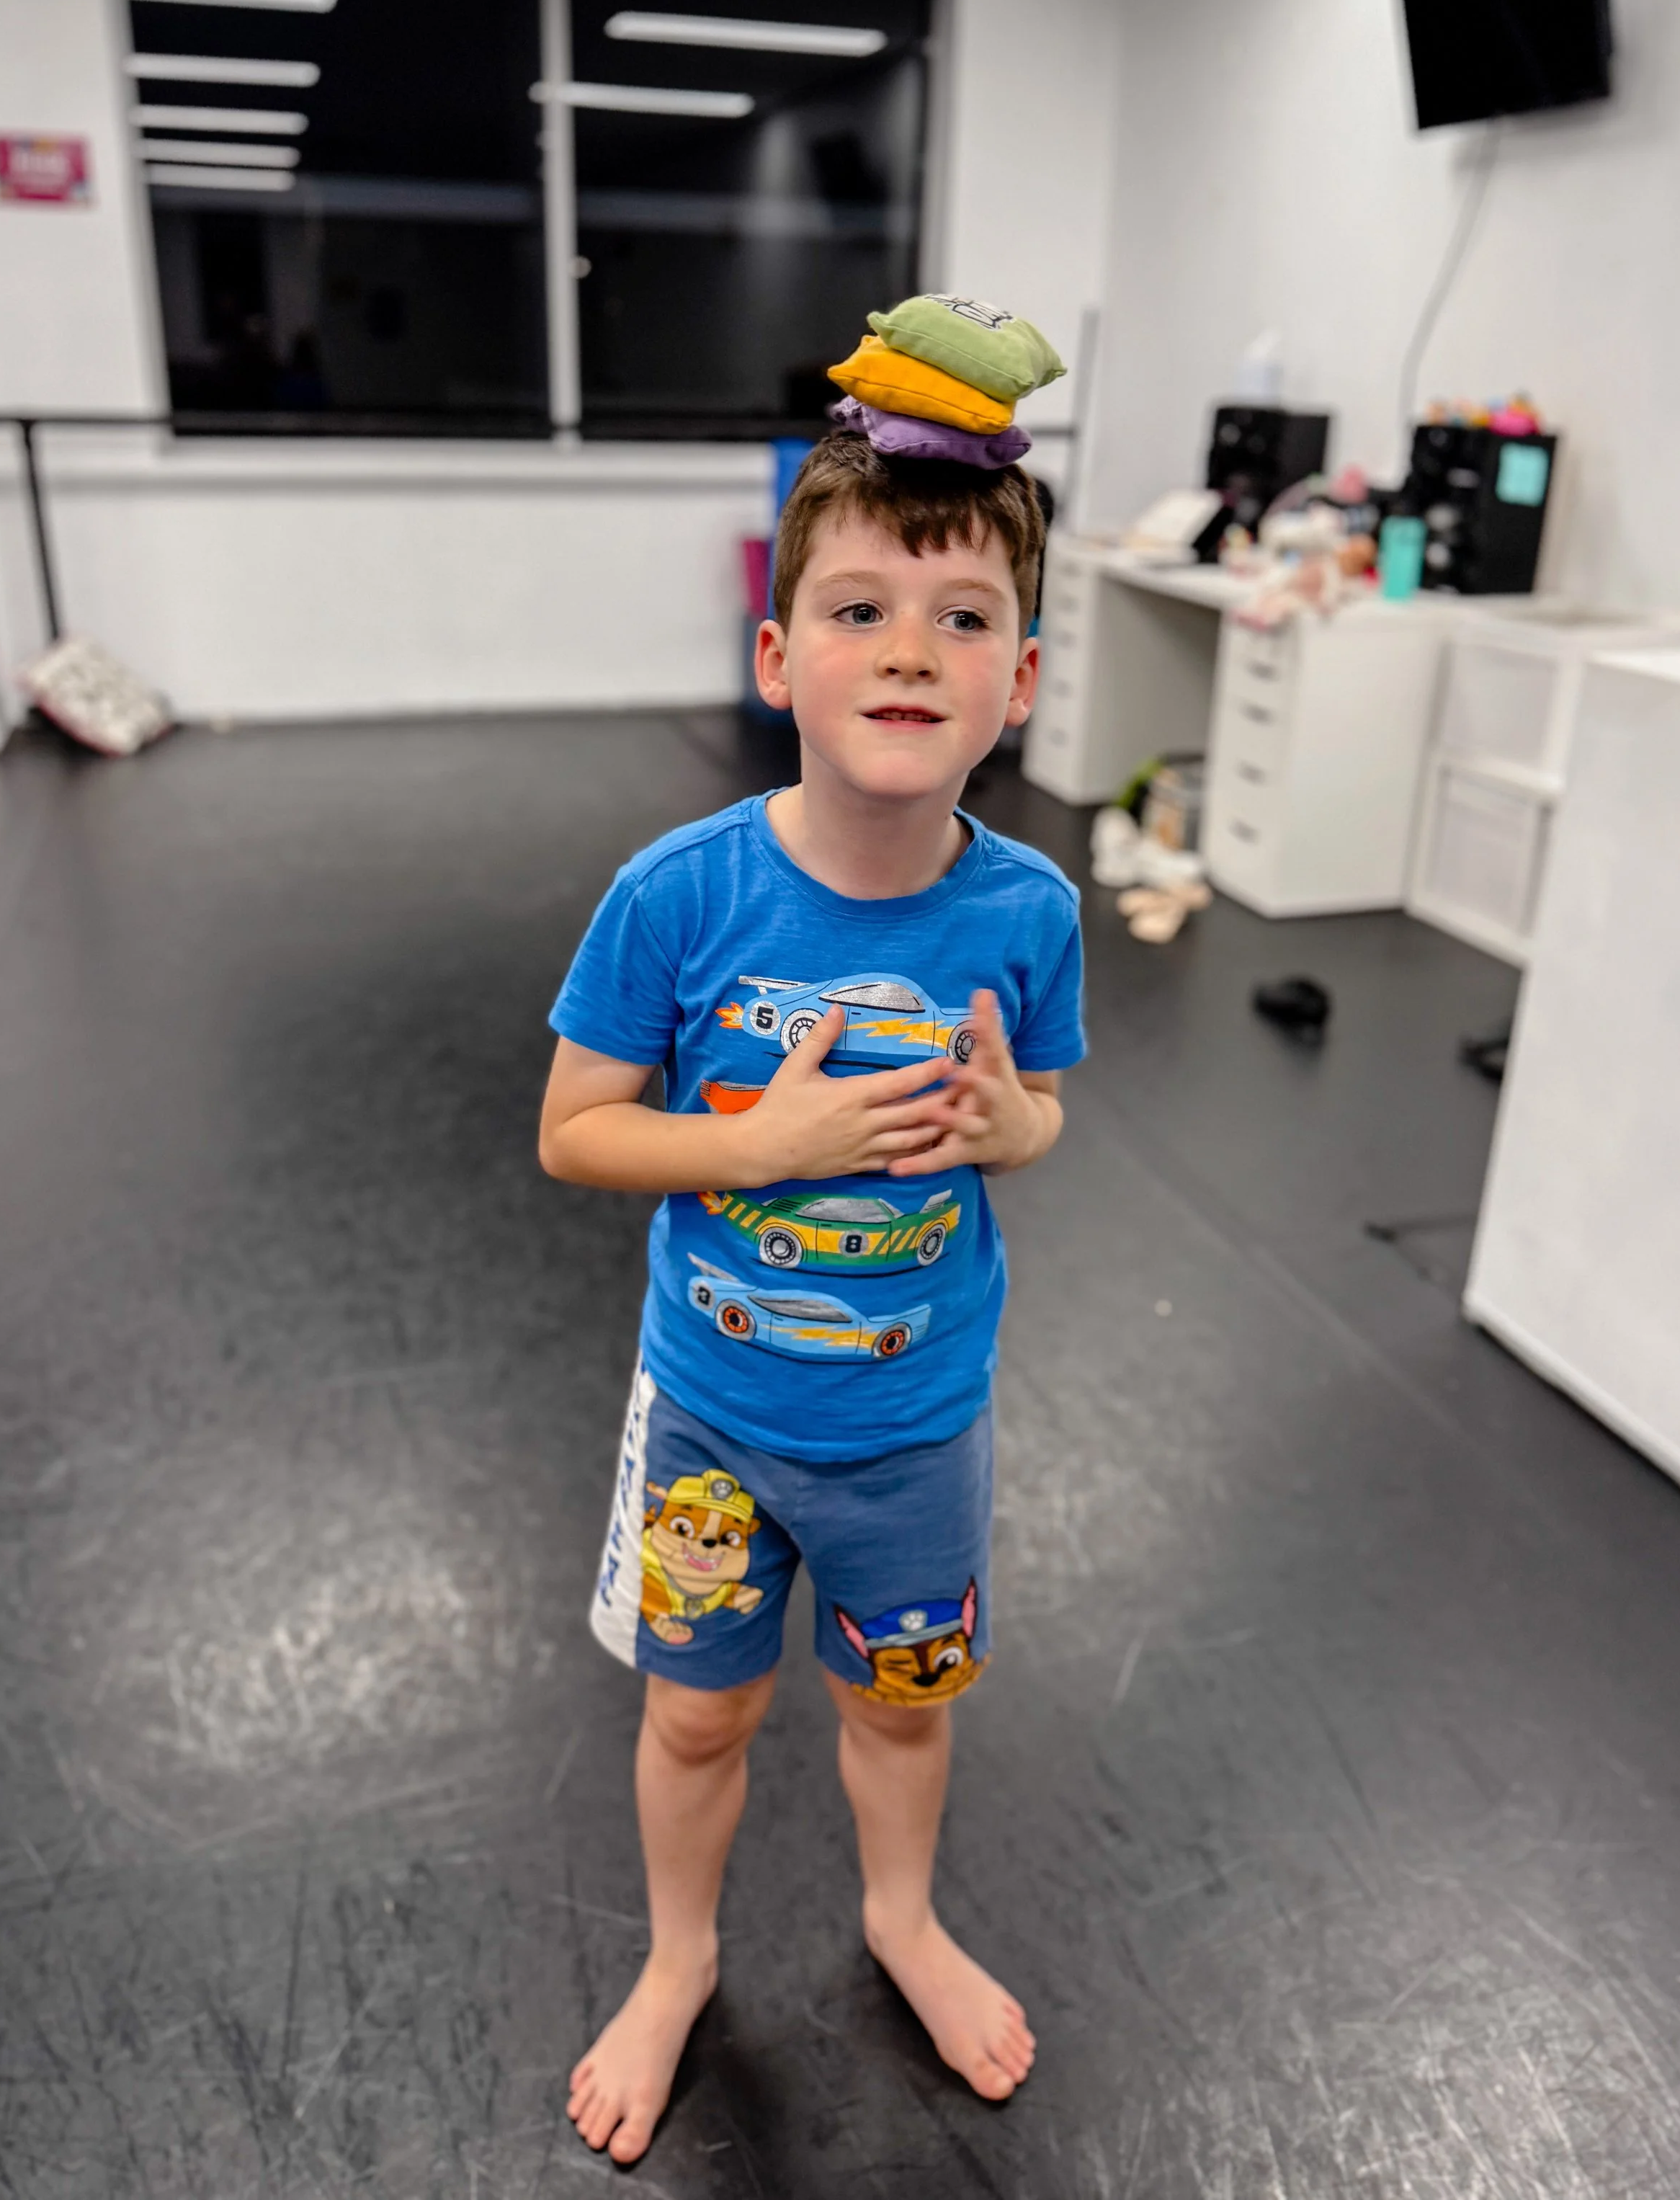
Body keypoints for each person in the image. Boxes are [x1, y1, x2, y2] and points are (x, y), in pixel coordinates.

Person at [538, 425, 1084, 2163]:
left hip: (914, 1430)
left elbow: (1044, 1107)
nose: (910, 649)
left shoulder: (1027, 910)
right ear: (778, 660)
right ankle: (680, 1955)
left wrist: (1014, 1124)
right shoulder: (679, 895)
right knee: (698, 1707)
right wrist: (756, 1141)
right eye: (857, 606)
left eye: (962, 616)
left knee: (899, 1700)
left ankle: (899, 1918)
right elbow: (572, 1133)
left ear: (1020, 679)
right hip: (713, 1411)